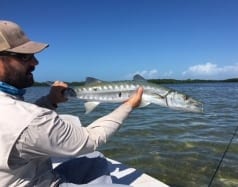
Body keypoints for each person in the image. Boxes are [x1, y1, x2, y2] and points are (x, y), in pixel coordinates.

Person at [0, 20, 143, 187]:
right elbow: (91, 140)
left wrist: (50, 100)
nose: (35, 63)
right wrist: (129, 105)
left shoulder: (13, 109)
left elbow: (24, 123)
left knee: (95, 160)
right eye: (25, 56)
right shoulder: (30, 120)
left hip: (29, 175)